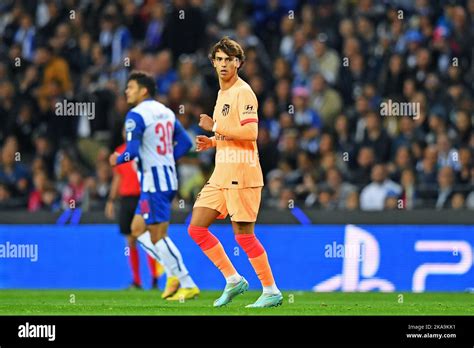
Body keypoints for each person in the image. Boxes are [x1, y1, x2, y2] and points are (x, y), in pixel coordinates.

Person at [188, 37, 283, 308]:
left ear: (239, 63)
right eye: (219, 59)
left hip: (242, 173)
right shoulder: (221, 93)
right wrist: (213, 142)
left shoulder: (244, 92)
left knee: (243, 235)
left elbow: (251, 133)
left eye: (229, 59)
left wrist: (215, 127)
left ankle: (271, 290)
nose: (223, 64)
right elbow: (232, 135)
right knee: (196, 228)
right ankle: (233, 279)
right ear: (213, 62)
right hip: (221, 173)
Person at [109, 71, 199, 301]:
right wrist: (167, 159)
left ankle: (185, 281)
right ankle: (172, 274)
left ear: (143, 90)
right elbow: (187, 143)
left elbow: (131, 152)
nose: (126, 91)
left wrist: (116, 159)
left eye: (130, 87)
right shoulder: (166, 112)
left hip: (153, 183)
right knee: (139, 230)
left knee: (157, 237)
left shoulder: (135, 115)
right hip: (166, 179)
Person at [105, 130, 166, 290]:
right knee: (130, 239)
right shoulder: (119, 151)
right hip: (126, 200)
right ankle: (137, 281)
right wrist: (111, 200)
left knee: (146, 236)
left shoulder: (144, 150)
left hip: (143, 197)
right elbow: (118, 178)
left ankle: (154, 279)